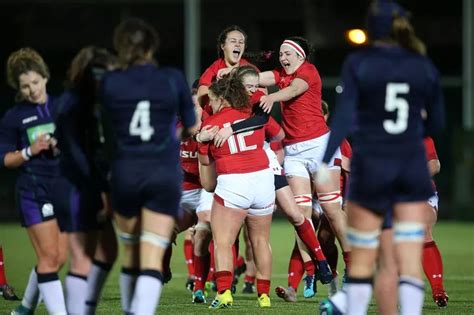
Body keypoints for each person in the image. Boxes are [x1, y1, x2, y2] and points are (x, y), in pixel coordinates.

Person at [317, 1, 445, 314]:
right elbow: (438, 123)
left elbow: (343, 120)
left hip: (372, 169)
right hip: (411, 171)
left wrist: (324, 162)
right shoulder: (422, 65)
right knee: (408, 259)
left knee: (366, 260)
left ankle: (349, 303)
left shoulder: (359, 63)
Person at [99, 18, 197, 314]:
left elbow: (108, 134)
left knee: (131, 252)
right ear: (152, 46)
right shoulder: (171, 78)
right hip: (163, 173)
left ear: (120, 47)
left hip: (126, 171)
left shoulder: (110, 81)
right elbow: (191, 126)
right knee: (154, 254)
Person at [256, 36, 351, 275]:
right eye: (280, 53)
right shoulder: (282, 74)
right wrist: (235, 74)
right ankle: (314, 265)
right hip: (295, 151)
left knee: (331, 210)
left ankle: (353, 264)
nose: (282, 57)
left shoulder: (308, 71)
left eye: (288, 53)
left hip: (320, 146)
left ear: (300, 56)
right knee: (300, 215)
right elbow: (260, 77)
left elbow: (293, 90)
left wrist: (270, 97)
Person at [198, 74, 280, 309]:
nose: (210, 105)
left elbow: (205, 165)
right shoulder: (250, 115)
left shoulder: (211, 124)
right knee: (261, 241)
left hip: (234, 182)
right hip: (263, 180)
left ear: (222, 98)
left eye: (212, 100)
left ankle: (224, 292)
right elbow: (275, 133)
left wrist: (200, 141)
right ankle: (263, 296)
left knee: (223, 241)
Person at [0, 47, 67, 315]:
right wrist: (29, 151)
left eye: (35, 82)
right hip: (32, 191)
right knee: (50, 257)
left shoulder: (62, 107)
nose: (32, 90)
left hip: (61, 188)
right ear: (18, 88)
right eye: (25, 86)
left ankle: (26, 307)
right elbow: (4, 158)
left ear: (45, 77)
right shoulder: (14, 117)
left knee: (57, 259)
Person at [54, 46, 119, 315]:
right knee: (82, 259)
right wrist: (100, 189)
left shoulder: (93, 104)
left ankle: (85, 309)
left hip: (87, 184)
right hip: (76, 187)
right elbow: (76, 153)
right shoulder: (75, 103)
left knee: (107, 251)